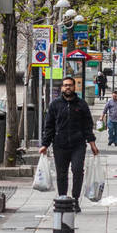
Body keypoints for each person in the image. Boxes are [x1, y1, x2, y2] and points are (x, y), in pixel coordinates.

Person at [40, 76, 99, 212]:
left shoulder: (81, 104)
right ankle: (62, 199)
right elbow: (49, 126)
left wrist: (92, 144)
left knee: (78, 171)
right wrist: (45, 144)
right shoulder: (55, 105)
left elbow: (88, 125)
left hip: (78, 144)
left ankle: (75, 200)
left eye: (70, 85)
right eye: (65, 85)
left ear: (74, 87)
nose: (68, 87)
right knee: (61, 174)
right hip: (60, 145)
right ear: (62, 88)